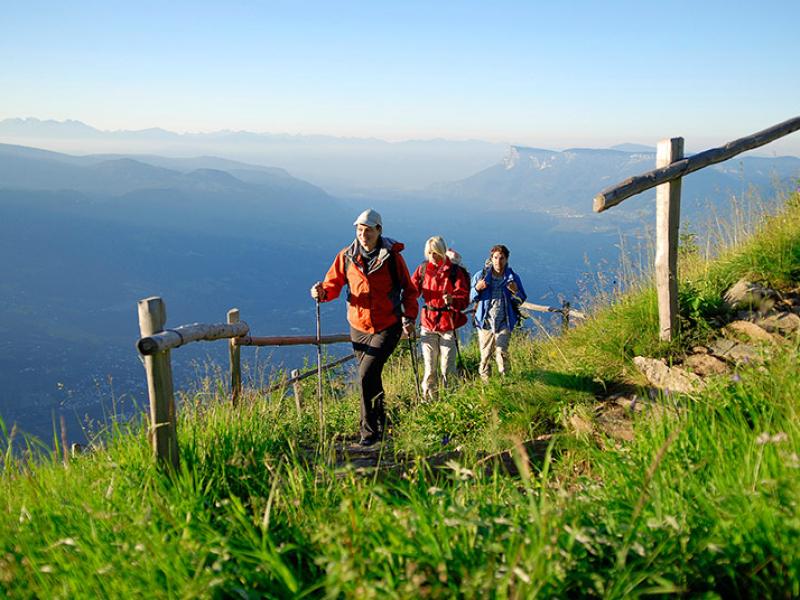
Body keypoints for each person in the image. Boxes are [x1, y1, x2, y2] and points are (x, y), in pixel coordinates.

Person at [310, 209, 418, 446]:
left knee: (365, 374)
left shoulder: (392, 258)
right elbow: (332, 285)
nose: (363, 234)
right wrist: (321, 293)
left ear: (379, 230)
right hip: (358, 326)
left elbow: (409, 291)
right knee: (372, 377)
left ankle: (368, 434)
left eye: (368, 230)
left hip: (388, 325)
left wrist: (409, 317)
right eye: (359, 230)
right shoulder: (346, 256)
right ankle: (383, 424)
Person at [411, 237, 470, 401]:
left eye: (436, 253)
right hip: (428, 323)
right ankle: (429, 399)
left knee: (447, 366)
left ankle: (450, 398)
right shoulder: (423, 270)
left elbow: (464, 298)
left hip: (447, 324)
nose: (433, 257)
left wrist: (452, 299)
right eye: (430, 253)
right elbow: (411, 291)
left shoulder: (455, 272)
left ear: (443, 252)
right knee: (429, 367)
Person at [470, 244, 527, 381]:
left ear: (506, 259)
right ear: (491, 258)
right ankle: (486, 385)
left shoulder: (512, 278)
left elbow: (521, 299)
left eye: (501, 258)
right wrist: (477, 288)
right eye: (495, 258)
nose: (498, 261)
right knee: (485, 356)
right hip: (485, 322)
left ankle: (506, 381)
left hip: (504, 321)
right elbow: (471, 297)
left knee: (501, 351)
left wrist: (515, 291)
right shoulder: (481, 276)